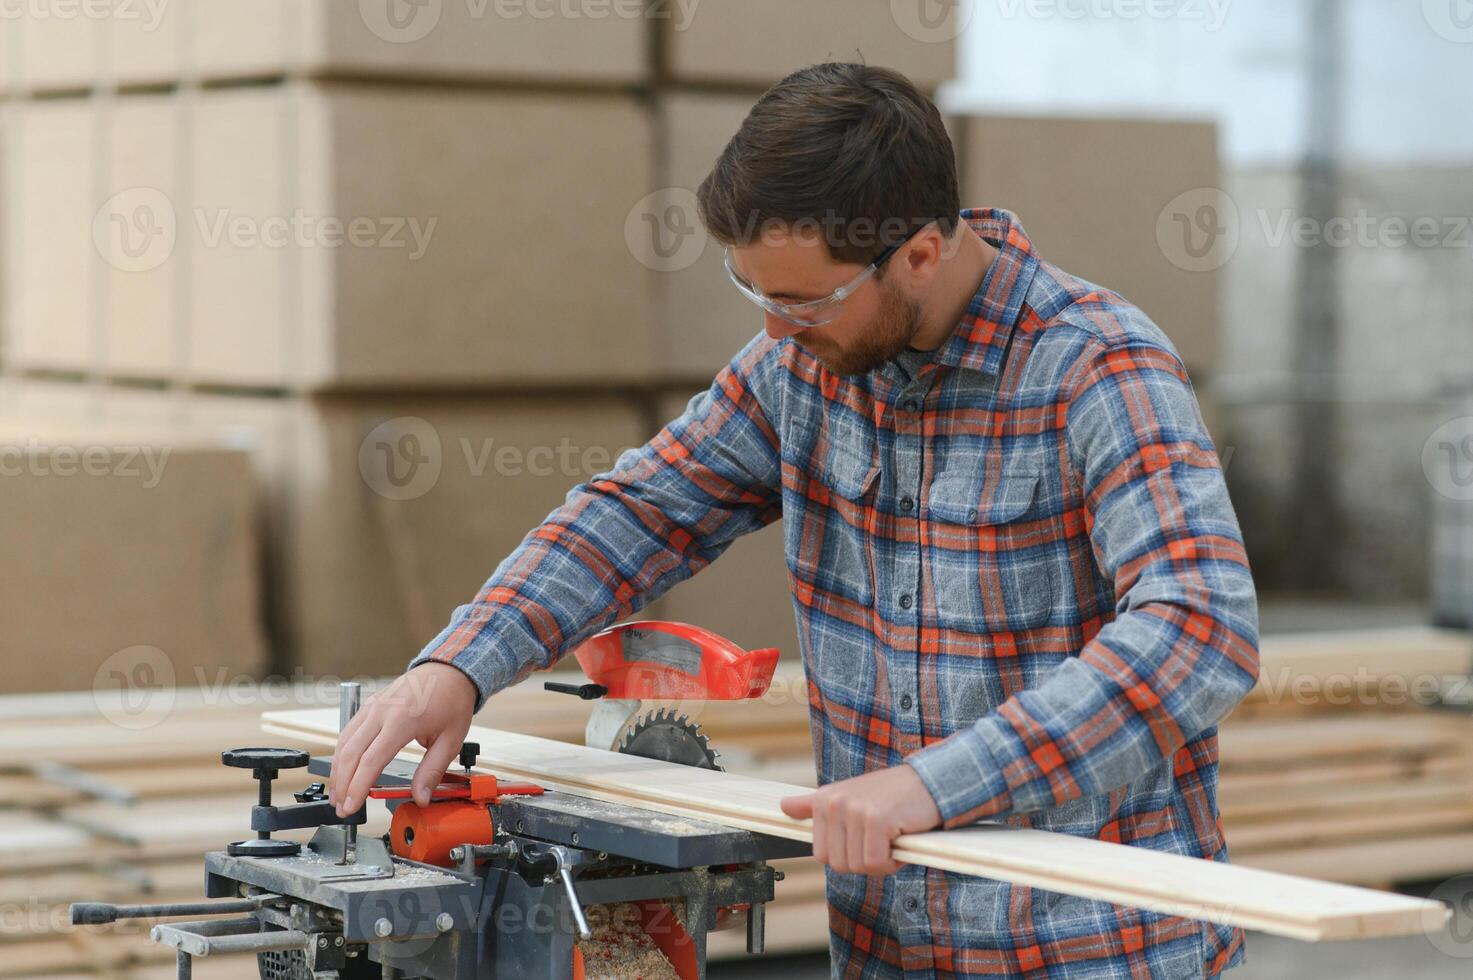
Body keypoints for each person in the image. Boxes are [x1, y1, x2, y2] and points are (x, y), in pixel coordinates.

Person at [329, 62, 1260, 978]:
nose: (775, 330)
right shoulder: (799, 368)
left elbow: (1199, 629)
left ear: (920, 255)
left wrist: (935, 785)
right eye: (756, 295)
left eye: (803, 300)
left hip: (1096, 953)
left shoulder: (1098, 368)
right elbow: (638, 513)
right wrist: (460, 662)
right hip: (891, 946)